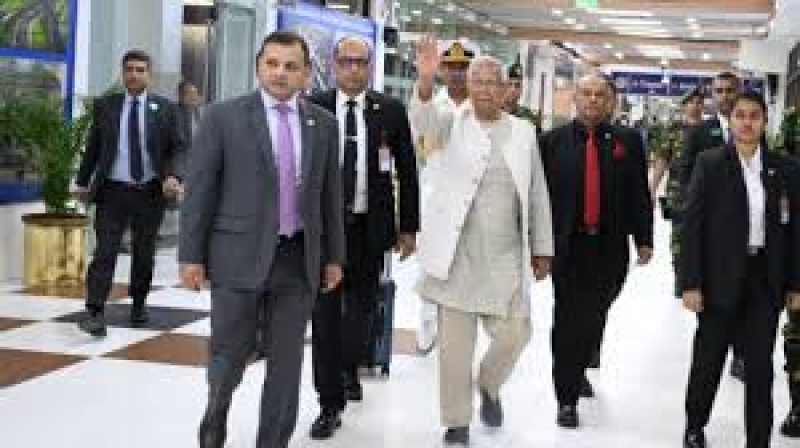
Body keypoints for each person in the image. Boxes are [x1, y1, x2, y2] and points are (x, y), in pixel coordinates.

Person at [178, 31, 345, 448]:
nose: (280, 73)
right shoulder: (222, 117)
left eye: (291, 66)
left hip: (297, 259)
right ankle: (216, 412)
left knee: (286, 366)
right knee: (229, 355)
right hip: (236, 255)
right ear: (258, 67)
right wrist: (190, 256)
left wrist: (333, 257)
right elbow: (200, 191)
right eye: (272, 64)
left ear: (306, 74)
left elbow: (330, 197)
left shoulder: (324, 125)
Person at [411, 35, 554, 446]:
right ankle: (456, 421)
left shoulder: (523, 132)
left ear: (507, 89)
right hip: (455, 253)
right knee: (455, 349)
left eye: (493, 82)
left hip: (504, 253)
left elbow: (537, 192)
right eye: (478, 82)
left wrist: (542, 247)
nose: (485, 89)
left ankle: (489, 384)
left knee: (515, 334)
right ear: (468, 87)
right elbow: (423, 125)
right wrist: (425, 80)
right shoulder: (450, 121)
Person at [305, 36, 420, 440]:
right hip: (324, 230)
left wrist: (409, 227)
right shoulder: (314, 106)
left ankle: (348, 366)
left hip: (370, 227)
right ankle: (329, 403)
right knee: (325, 316)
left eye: (361, 62)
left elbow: (407, 170)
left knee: (362, 312)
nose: (353, 68)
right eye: (346, 61)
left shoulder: (389, 110)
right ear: (334, 65)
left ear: (370, 67)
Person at [680, 91, 800, 448]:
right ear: (730, 121)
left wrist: (795, 283)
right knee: (709, 358)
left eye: (754, 116)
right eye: (740, 115)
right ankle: (695, 425)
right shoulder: (710, 163)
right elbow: (692, 226)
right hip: (718, 278)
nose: (747, 123)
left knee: (759, 367)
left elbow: (795, 231)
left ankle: (757, 439)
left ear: (765, 122)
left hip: (765, 278)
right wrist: (690, 283)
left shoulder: (786, 169)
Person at [540, 71, 653, 429]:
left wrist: (644, 238)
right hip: (567, 246)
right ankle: (566, 397)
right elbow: (539, 199)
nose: (592, 100)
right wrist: (537, 244)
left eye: (599, 94)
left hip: (609, 246)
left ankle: (579, 366)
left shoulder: (627, 141)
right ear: (575, 98)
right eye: (585, 93)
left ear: (610, 101)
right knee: (567, 320)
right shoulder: (552, 142)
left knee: (595, 315)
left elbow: (638, 192)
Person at [73, 49, 185, 337]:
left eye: (140, 70)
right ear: (123, 73)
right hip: (112, 191)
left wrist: (174, 176)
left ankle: (138, 303)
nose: (134, 75)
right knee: (105, 252)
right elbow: (94, 146)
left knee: (144, 252)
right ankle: (95, 311)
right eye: (129, 69)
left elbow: (179, 147)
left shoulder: (166, 108)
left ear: (149, 75)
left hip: (149, 191)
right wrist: (82, 182)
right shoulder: (106, 106)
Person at [408, 40, 474, 354]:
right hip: (437, 201)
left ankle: (459, 329)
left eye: (463, 67)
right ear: (441, 70)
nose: (457, 73)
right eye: (451, 67)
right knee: (432, 266)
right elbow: (424, 132)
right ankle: (428, 321)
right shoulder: (430, 104)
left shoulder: (484, 106)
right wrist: (424, 79)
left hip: (473, 202)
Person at [679, 71, 747, 381]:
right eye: (718, 90)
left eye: (730, 90)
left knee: (746, 297)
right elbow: (685, 178)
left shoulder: (753, 130)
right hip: (712, 233)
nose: (724, 96)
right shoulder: (699, 133)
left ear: (739, 92)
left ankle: (740, 353)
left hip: (747, 233)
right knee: (714, 304)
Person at [650, 86, 705, 297]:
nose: (695, 106)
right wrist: (652, 189)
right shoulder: (673, 130)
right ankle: (680, 279)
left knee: (704, 236)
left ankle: (699, 280)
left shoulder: (711, 129)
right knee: (679, 237)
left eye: (699, 102)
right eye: (691, 102)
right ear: (684, 105)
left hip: (706, 193)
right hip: (679, 191)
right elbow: (662, 160)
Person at [503, 60, 541, 134]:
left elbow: (538, 139)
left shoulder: (529, 118)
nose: (513, 90)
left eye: (517, 85)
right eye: (509, 84)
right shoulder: (492, 113)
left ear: (521, 89)